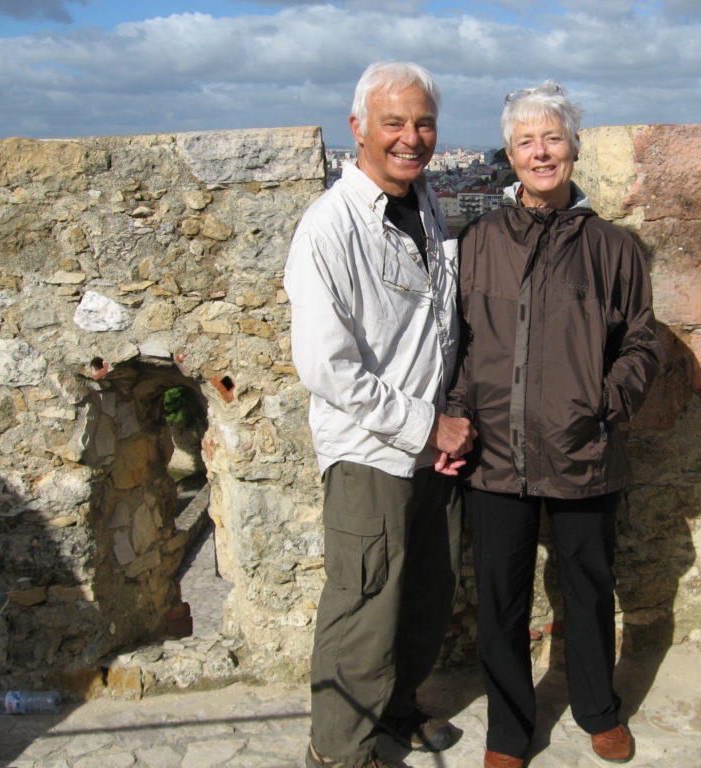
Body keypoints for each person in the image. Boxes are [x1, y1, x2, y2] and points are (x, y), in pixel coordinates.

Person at [445, 81, 660, 768]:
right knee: (501, 597)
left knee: (590, 586)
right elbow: (455, 341)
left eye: (552, 138)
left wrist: (605, 402)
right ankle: (509, 731)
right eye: (525, 141)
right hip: (496, 452)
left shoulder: (612, 248)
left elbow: (643, 340)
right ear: (509, 154)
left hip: (581, 448)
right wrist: (454, 411)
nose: (540, 152)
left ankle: (599, 709)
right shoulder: (477, 241)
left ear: (573, 147)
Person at [285, 61, 477, 768]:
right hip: (371, 449)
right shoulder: (329, 229)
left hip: (430, 446)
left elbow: (439, 329)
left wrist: (446, 423)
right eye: (393, 122)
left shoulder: (426, 203)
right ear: (358, 128)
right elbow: (328, 366)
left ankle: (395, 713)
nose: (411, 137)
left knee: (426, 593)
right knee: (364, 608)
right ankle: (337, 752)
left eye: (423, 122)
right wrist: (427, 425)